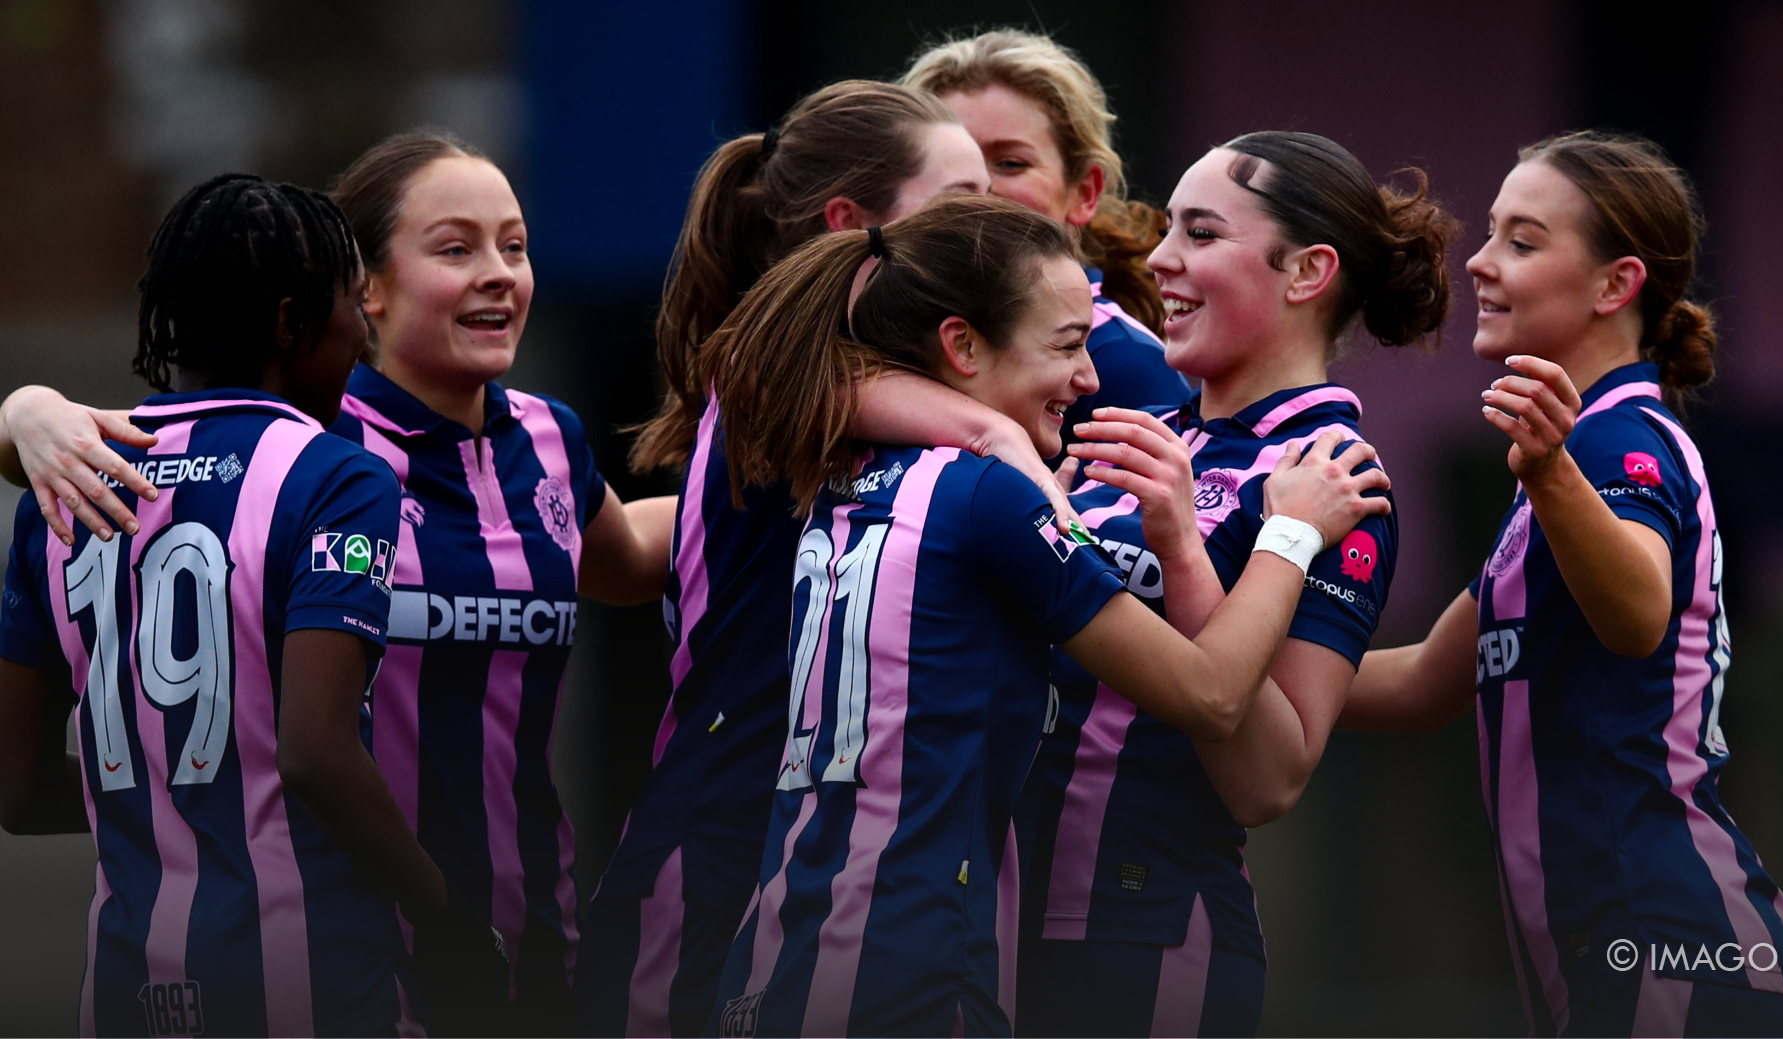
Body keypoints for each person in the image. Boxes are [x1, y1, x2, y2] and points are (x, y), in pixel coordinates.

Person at [1, 131, 677, 1037]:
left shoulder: (548, 440)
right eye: (454, 247)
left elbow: (632, 554)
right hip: (360, 952)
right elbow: (309, 745)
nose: (498, 272)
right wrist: (25, 412)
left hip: (525, 943)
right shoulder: (322, 449)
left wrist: (792, 477)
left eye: (515, 245)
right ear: (366, 292)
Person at [700, 194, 1390, 1038]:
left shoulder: (843, 466)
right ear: (960, 344)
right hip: (912, 952)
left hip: (784, 940)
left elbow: (766, 367)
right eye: (1069, 345)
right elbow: (1210, 695)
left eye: (1200, 230)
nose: (1093, 377)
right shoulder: (993, 493)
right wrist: (1285, 537)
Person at [580, 81, 1051, 1038]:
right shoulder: (783, 363)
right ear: (849, 223)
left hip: (795, 853)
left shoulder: (840, 373)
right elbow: (991, 437)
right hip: (707, 855)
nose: (988, 222)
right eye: (959, 198)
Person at [1338, 131, 1783, 1038]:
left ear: (1614, 284)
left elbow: (1639, 616)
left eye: (1522, 240)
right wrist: (1200, 670)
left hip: (1672, 945)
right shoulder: (1553, 477)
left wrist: (1552, 471)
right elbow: (1419, 682)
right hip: (1623, 956)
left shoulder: (1611, 439)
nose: (1477, 261)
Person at [1006, 130, 1453, 1038]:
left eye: (1201, 234)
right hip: (1000, 918)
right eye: (1169, 228)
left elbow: (1268, 778)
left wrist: (1183, 544)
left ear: (1306, 272)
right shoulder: (1143, 436)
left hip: (1143, 932)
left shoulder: (1333, 478)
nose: (1162, 260)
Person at [902, 29, 1190, 464]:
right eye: (948, 165)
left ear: (1084, 191)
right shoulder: (878, 333)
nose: (976, 188)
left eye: (1010, 163)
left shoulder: (1127, 367)